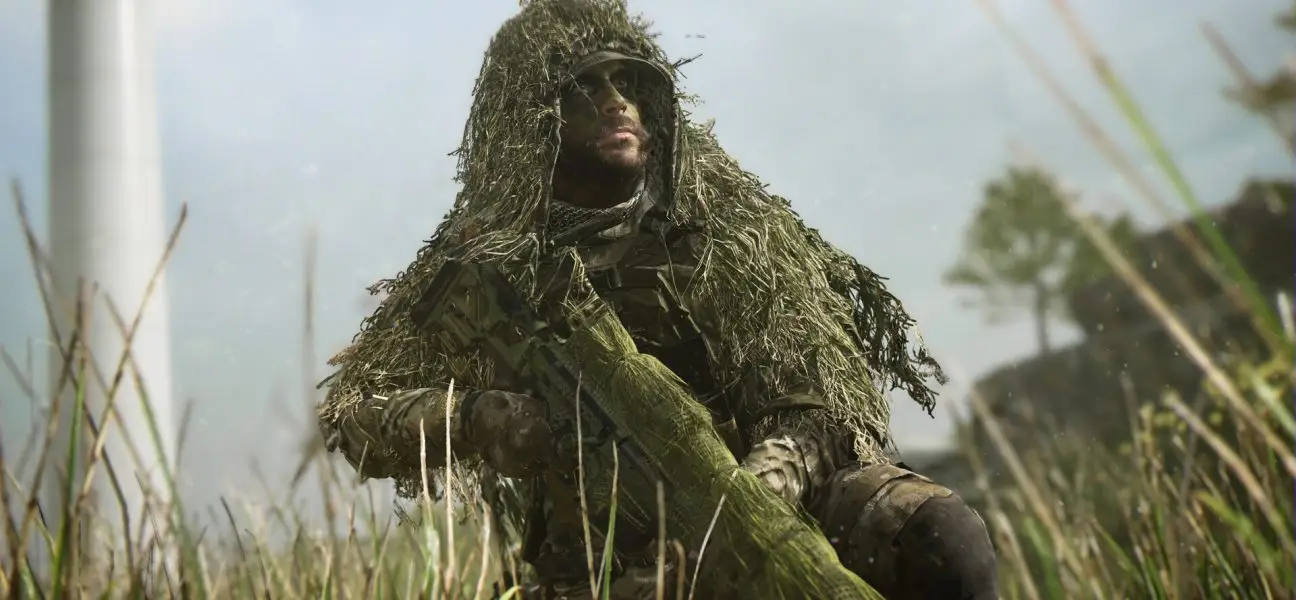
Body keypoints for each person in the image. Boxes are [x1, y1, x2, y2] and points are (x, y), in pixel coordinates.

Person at [317, 1, 998, 598]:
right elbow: (354, 415)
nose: (617, 102)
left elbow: (816, 403)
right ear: (534, 120)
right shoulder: (485, 265)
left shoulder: (728, 226)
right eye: (585, 87)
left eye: (629, 83)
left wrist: (752, 496)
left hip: (771, 502)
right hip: (606, 551)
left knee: (935, 534)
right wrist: (475, 418)